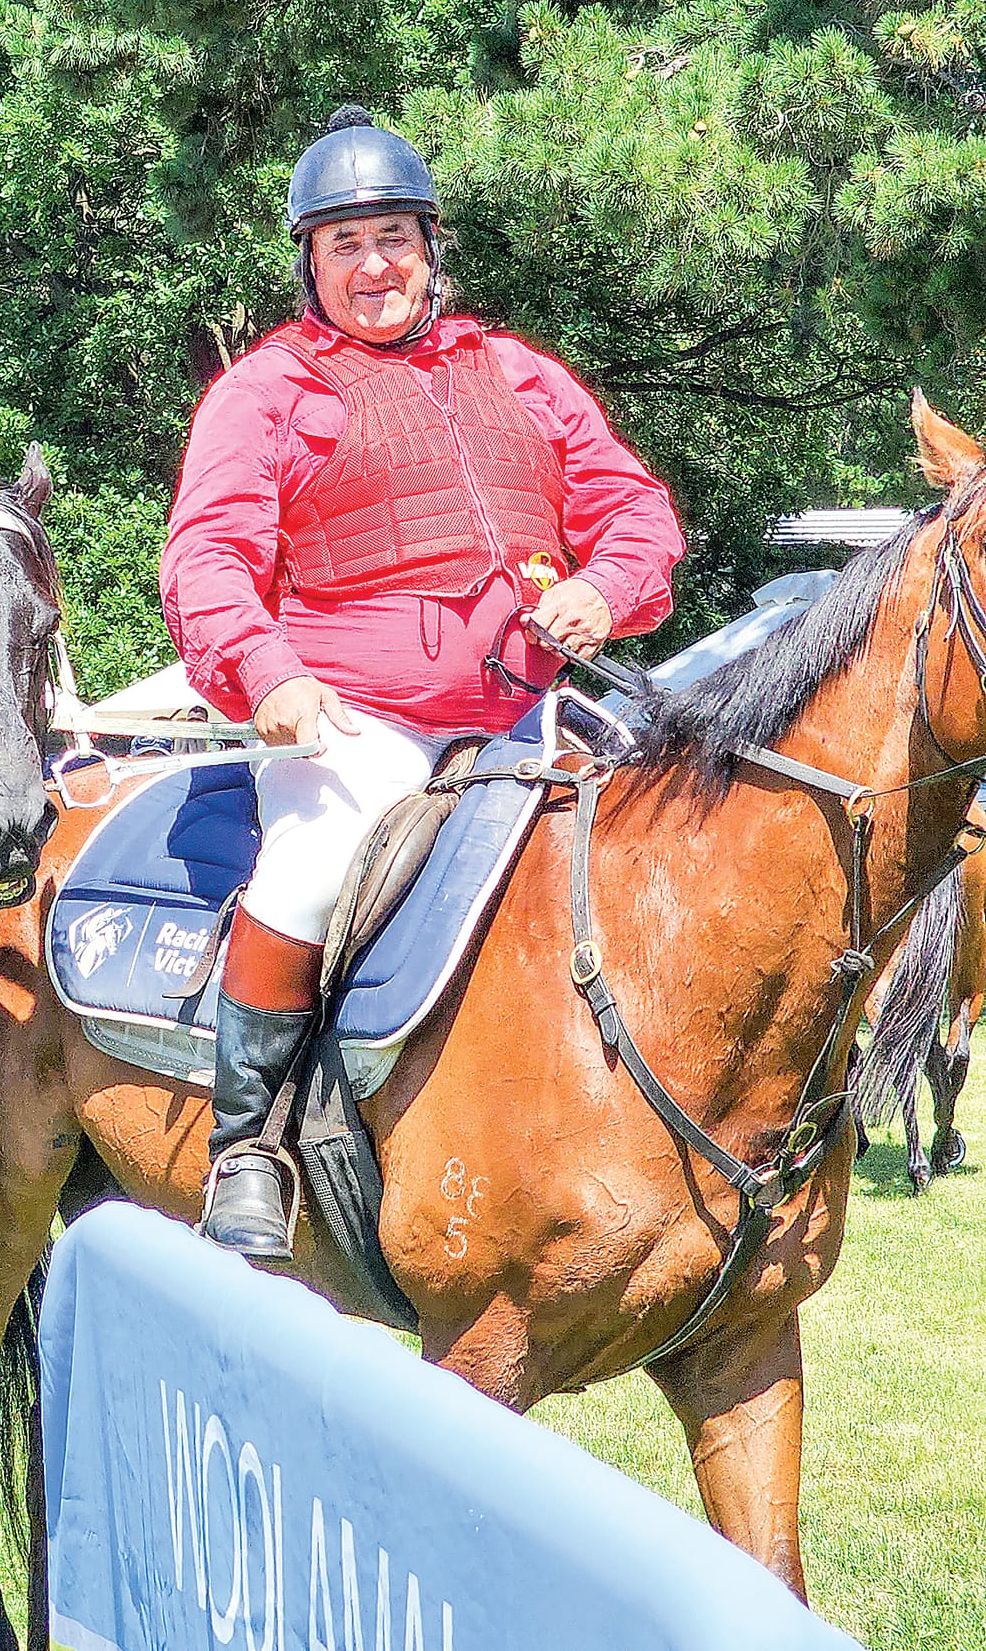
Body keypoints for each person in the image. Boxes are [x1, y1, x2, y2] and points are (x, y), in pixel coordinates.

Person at [163, 105, 686, 1257]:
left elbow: (634, 511)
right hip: (356, 721)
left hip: (531, 711)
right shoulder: (263, 391)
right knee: (307, 866)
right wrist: (267, 675)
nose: (372, 265)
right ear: (308, 264)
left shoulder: (518, 374)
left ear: (430, 248)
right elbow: (206, 559)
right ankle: (247, 1146)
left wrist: (604, 589)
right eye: (342, 244)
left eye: (391, 235)